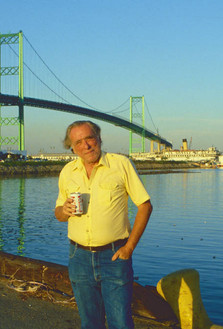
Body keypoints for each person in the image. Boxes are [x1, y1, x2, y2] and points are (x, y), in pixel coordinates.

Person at [55, 120, 153, 329]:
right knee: (90, 323)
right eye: (78, 142)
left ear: (99, 138)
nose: (86, 145)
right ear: (72, 147)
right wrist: (63, 211)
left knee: (121, 323)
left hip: (115, 255)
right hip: (79, 257)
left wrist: (129, 248)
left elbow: (145, 206)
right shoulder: (67, 172)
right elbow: (58, 214)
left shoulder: (121, 164)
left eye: (90, 138)